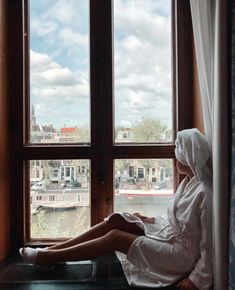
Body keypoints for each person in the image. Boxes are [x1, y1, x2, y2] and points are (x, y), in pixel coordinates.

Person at [19, 128, 213, 290]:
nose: (175, 158)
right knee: (117, 220)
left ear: (190, 158)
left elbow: (210, 244)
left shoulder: (204, 192)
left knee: (115, 237)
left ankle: (51, 257)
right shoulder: (189, 182)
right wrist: (150, 219)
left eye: (179, 155)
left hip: (180, 255)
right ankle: (50, 251)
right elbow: (177, 219)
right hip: (169, 234)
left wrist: (196, 279)